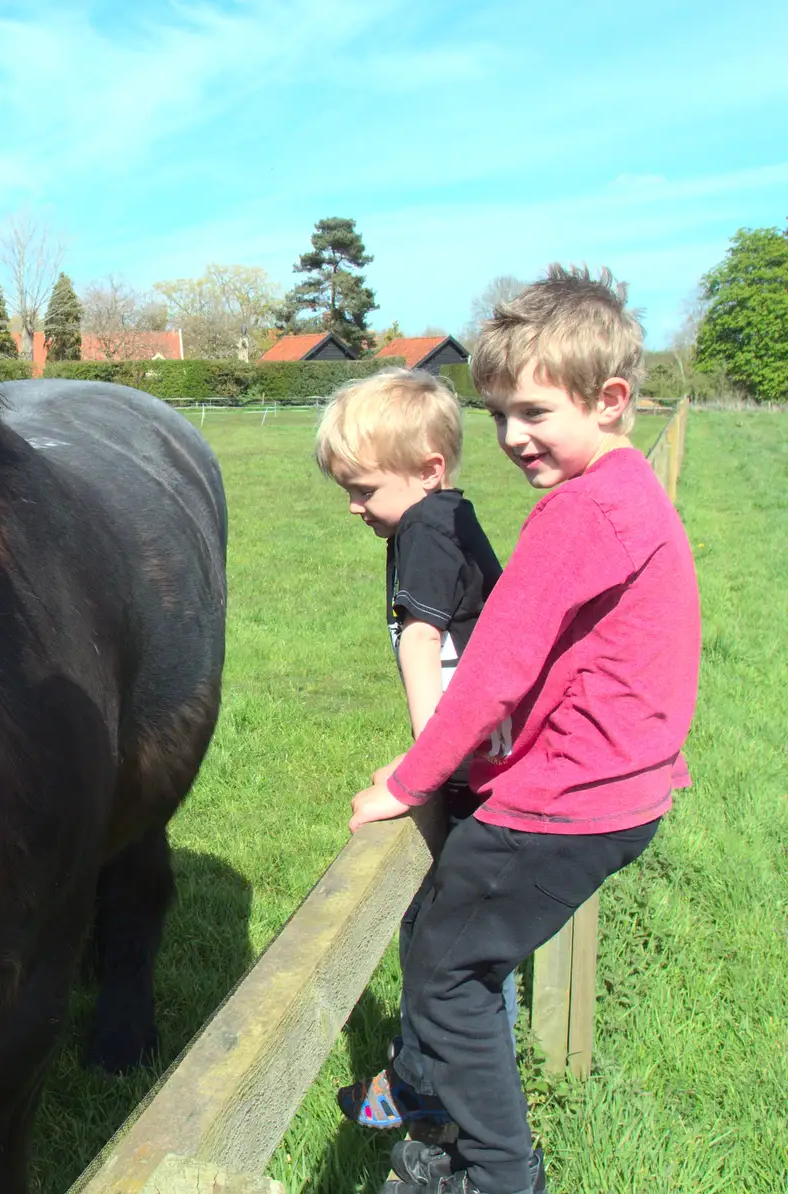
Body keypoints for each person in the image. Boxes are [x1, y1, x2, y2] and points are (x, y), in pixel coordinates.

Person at [348, 267, 701, 1194]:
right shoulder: (628, 494)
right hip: (619, 790)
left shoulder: (578, 515)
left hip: (566, 807)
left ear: (611, 400)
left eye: (535, 413)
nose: (510, 437)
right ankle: (433, 1130)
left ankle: (500, 1175)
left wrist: (410, 780)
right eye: (498, 412)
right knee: (452, 942)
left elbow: (492, 671)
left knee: (446, 979)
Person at [312, 368, 516, 1138]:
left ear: (429, 469)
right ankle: (437, 1083)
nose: (353, 507)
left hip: (476, 773)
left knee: (446, 943)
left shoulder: (425, 528)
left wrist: (421, 767)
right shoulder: (446, 518)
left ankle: (434, 1100)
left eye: (363, 489)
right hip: (487, 762)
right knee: (460, 937)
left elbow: (425, 639)